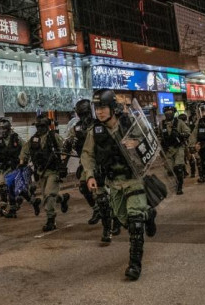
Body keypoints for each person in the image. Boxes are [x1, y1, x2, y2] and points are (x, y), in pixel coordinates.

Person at [81, 89, 157, 281]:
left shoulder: (130, 123)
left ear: (113, 107)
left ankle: (134, 265)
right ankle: (149, 214)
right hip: (113, 183)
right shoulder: (95, 132)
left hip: (133, 179)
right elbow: (87, 155)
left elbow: (151, 141)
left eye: (103, 107)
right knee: (124, 220)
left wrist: (137, 143)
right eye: (97, 108)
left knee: (135, 222)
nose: (100, 112)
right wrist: (89, 175)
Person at [20, 116, 69, 231]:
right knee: (47, 195)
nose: (40, 128)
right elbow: (24, 151)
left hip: (53, 171)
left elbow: (65, 150)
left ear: (47, 126)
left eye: (42, 126)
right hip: (40, 172)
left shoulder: (53, 137)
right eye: (38, 126)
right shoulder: (33, 139)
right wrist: (22, 162)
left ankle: (50, 220)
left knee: (49, 194)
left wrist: (63, 165)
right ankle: (62, 199)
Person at [64, 99, 105, 226]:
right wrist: (63, 163)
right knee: (83, 186)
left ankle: (110, 214)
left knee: (103, 191)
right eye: (82, 114)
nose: (84, 117)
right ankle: (97, 210)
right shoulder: (76, 128)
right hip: (87, 163)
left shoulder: (98, 124)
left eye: (86, 113)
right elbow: (67, 144)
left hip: (102, 161)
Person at [0, 119, 24, 218]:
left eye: (3, 129)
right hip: (3, 167)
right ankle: (7, 206)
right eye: (0, 129)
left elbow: (25, 148)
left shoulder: (15, 138)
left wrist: (23, 160)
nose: (1, 131)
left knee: (11, 188)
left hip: (15, 167)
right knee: (3, 187)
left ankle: (14, 206)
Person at [158, 105, 191, 195]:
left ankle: (179, 187)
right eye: (166, 113)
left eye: (170, 112)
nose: (168, 114)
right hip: (168, 150)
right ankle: (176, 182)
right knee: (170, 169)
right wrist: (160, 145)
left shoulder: (179, 122)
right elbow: (159, 136)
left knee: (178, 167)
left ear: (173, 113)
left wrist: (180, 135)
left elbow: (188, 132)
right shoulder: (162, 124)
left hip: (178, 148)